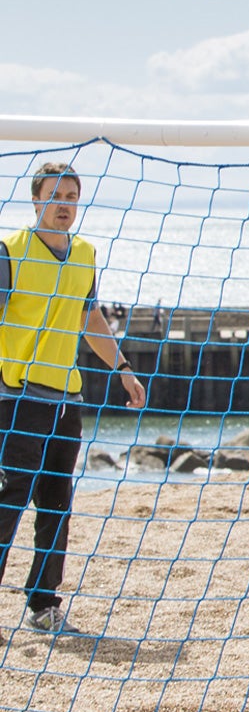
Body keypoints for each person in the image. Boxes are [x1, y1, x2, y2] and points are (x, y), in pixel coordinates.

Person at [0, 161, 147, 635]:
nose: (64, 205)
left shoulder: (84, 253)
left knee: (58, 505)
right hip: (16, 398)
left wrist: (122, 369)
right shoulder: (10, 251)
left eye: (71, 196)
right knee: (8, 502)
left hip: (67, 399)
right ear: (36, 200)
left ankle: (44, 605)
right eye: (55, 196)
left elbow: (90, 319)